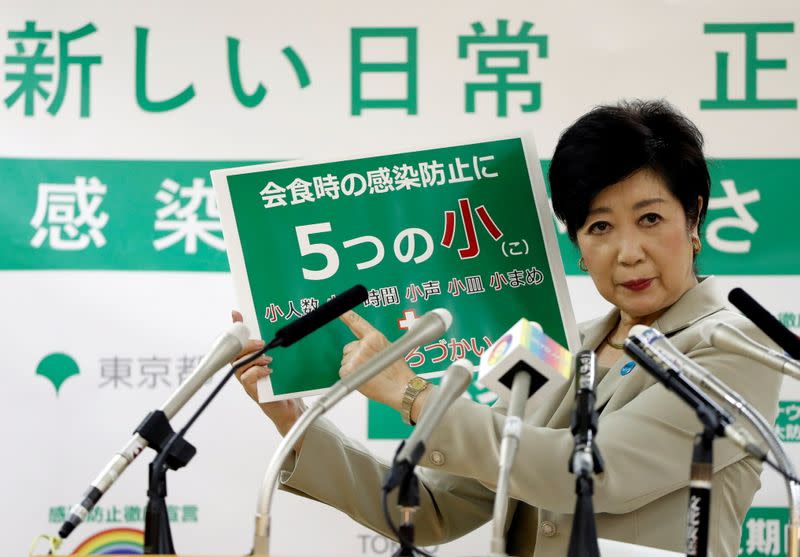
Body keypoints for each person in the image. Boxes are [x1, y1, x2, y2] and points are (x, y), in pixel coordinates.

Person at [233, 99, 782, 556]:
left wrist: (412, 393)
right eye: (599, 227)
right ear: (578, 248)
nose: (628, 252)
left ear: (695, 220)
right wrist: (293, 420)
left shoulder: (733, 345)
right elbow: (438, 508)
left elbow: (592, 474)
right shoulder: (559, 343)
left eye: (650, 218)